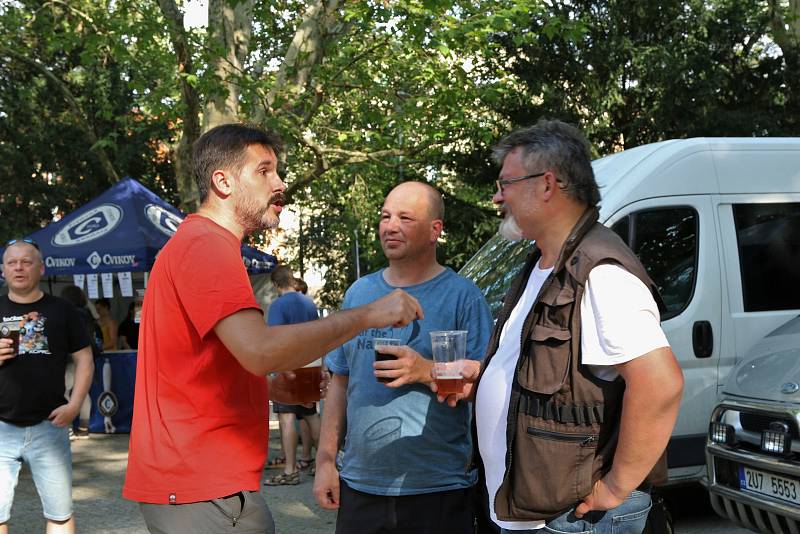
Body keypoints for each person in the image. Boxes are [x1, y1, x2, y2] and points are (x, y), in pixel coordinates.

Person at [122, 123, 422, 534]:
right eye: (264, 171)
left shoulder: (203, 244)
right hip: (202, 486)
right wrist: (370, 314)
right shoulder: (206, 245)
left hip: (201, 484)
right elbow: (260, 351)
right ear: (223, 182)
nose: (280, 183)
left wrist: (266, 384)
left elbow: (213, 363)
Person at [441, 120, 684, 534]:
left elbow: (661, 384)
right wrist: (483, 380)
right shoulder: (541, 266)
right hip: (534, 514)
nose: (497, 197)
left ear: (547, 184)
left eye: (506, 184)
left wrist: (615, 487)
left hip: (576, 520)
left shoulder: (600, 272)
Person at [313, 182, 493, 534]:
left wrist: (427, 372)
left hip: (438, 487)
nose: (390, 225)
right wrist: (325, 462)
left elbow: (488, 387)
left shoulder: (463, 297)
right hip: (360, 484)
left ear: (434, 230)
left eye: (405, 218)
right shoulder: (359, 294)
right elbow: (340, 382)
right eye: (385, 216)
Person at [0, 239, 94, 534]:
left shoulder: (64, 310)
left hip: (50, 426)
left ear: (41, 268)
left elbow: (85, 360)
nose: (19, 267)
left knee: (60, 513)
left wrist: (75, 405)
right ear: (3, 270)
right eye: (12, 262)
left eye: (26, 261)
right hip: (0, 428)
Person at [264, 266, 321, 486]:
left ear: (276, 285)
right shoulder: (309, 302)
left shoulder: (278, 304)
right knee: (311, 415)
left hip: (288, 367)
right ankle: (327, 462)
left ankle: (290, 470)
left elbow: (276, 340)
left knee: (286, 418)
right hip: (310, 366)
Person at [60, 285, 103, 439]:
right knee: (83, 392)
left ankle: (68, 429)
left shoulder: (66, 314)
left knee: (64, 392)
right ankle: (84, 428)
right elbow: (98, 321)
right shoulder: (88, 314)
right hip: (88, 357)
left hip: (69, 359)